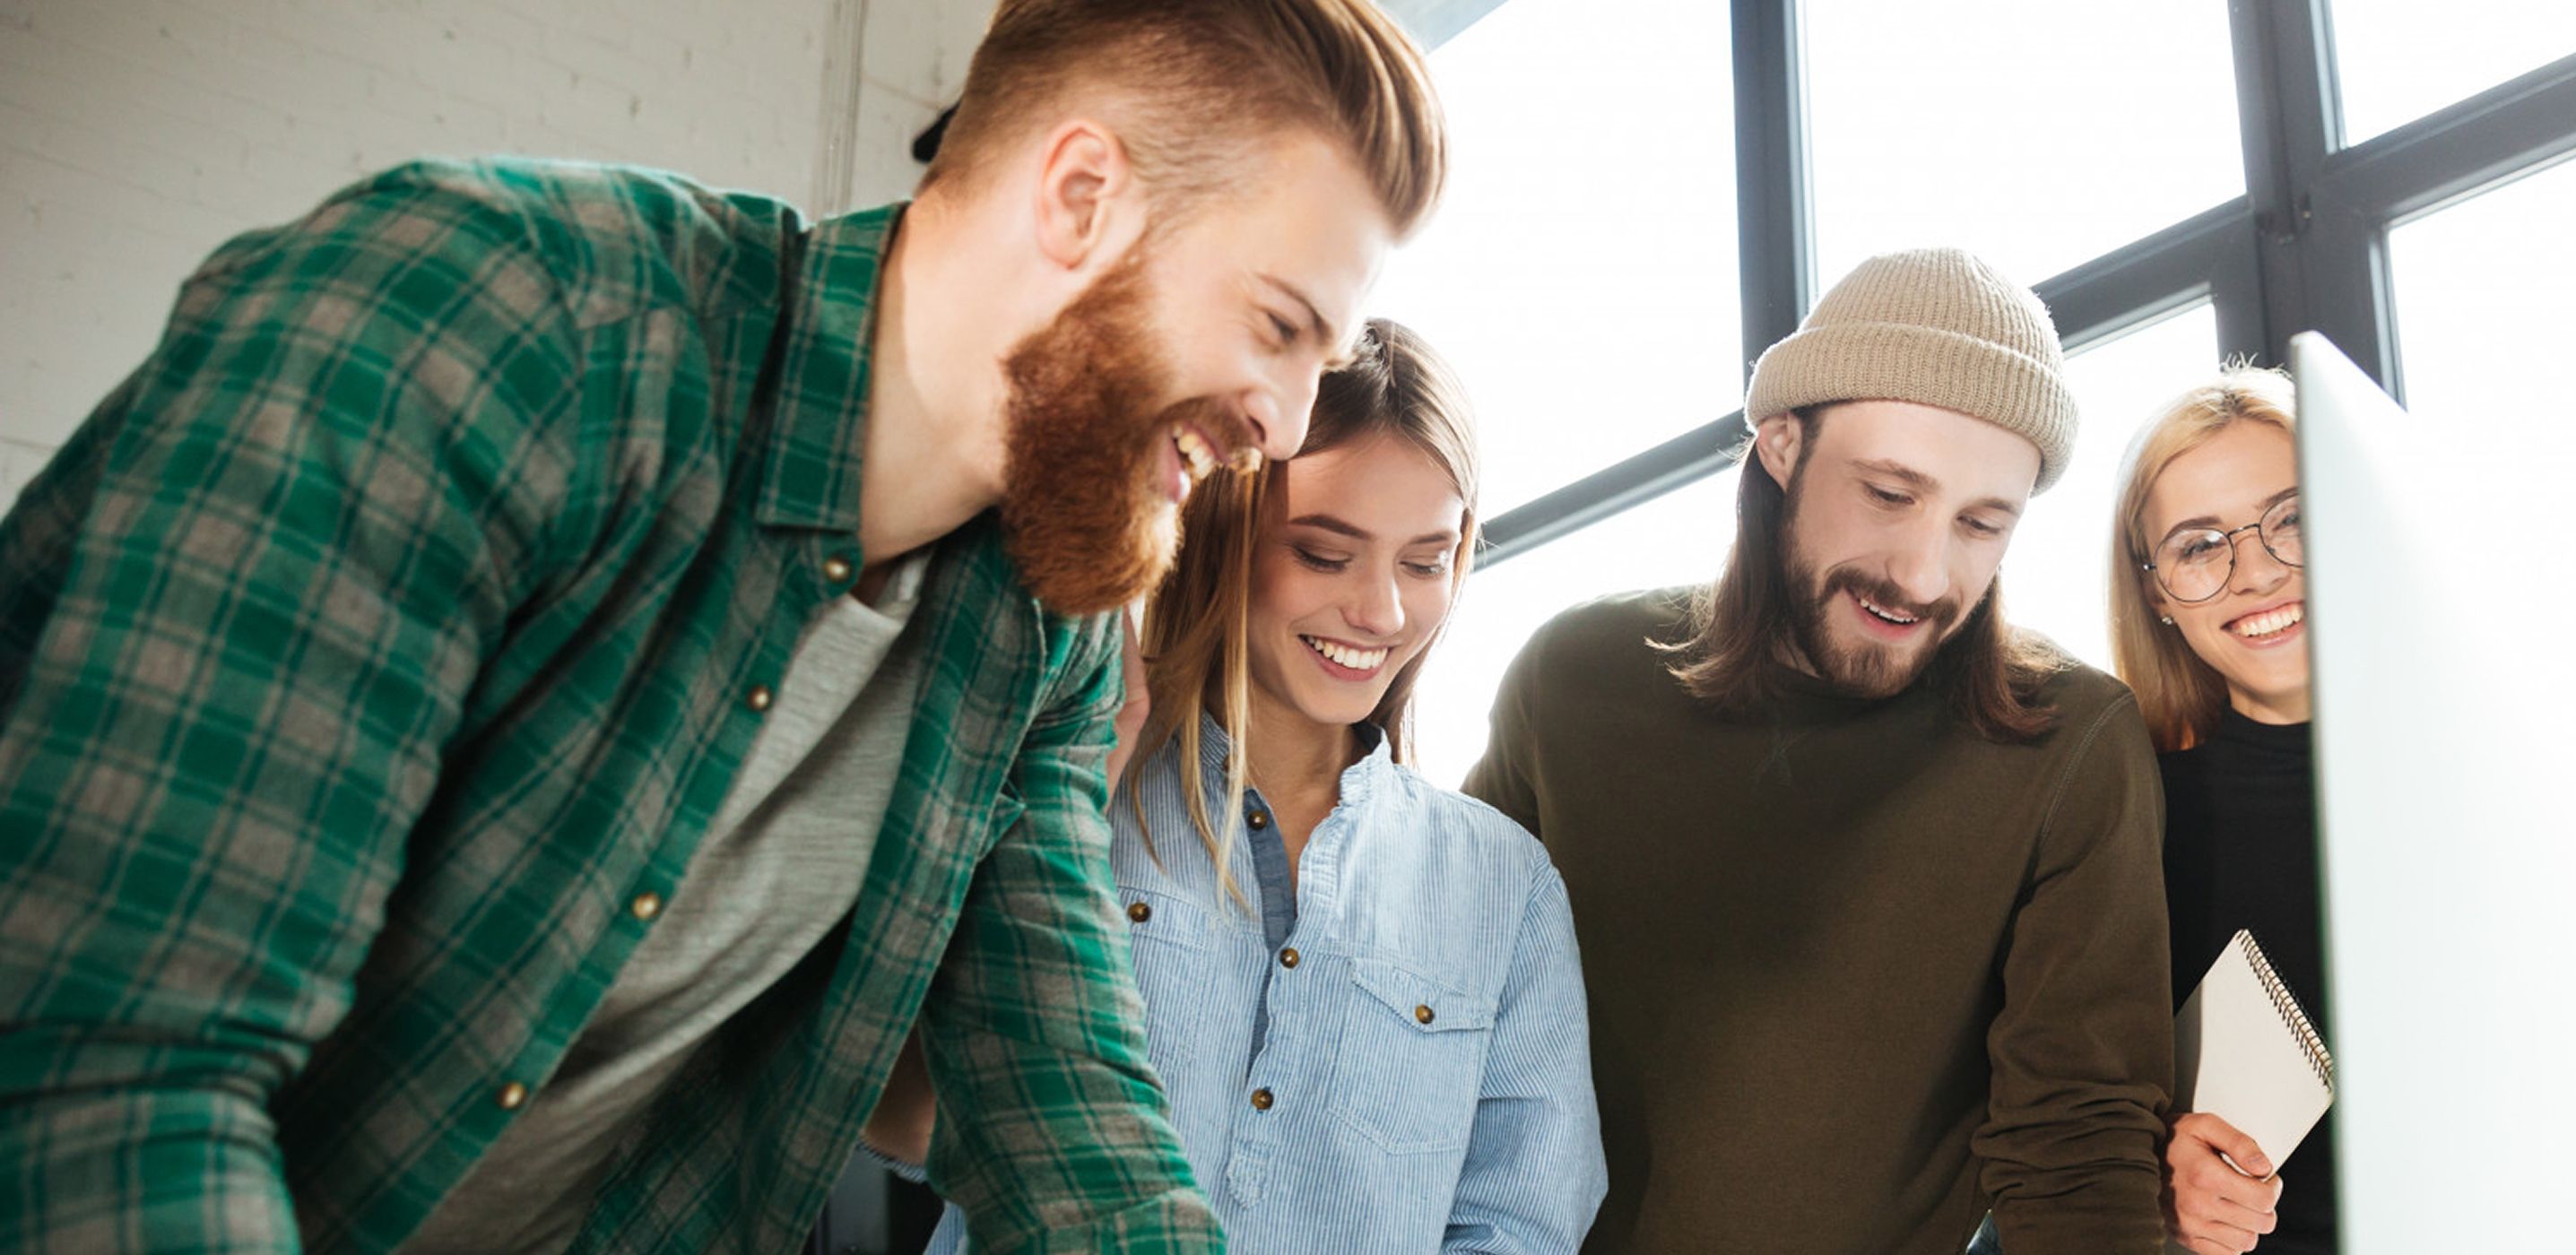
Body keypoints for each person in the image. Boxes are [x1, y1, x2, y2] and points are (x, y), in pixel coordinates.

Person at [0, 1, 1444, 1250]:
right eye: (1277, 327)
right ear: (1078, 198)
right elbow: (111, 1077)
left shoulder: (1042, 637)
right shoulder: (508, 325)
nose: (1284, 428)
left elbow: (1071, 1135)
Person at [1462, 248, 2175, 1253]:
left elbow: (2080, 1152)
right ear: (1783, 446)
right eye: (1890, 493)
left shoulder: (2071, 745)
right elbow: (1436, 1017)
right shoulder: (1576, 678)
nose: (1925, 573)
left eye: (1982, 523)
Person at [873, 320, 1605, 1252]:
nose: (1381, 610)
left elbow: (1521, 1224)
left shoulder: (1506, 886)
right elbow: (901, 1114)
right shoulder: (1073, 781)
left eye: (1424, 561)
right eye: (1324, 552)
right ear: (1222, 534)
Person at [2103, 368, 2331, 1255]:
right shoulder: (2129, 823)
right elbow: (2068, 1123)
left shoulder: (2494, 769)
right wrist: (2163, 1174)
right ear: (2157, 591)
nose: (2259, 571)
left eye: (2293, 518)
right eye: (2201, 545)